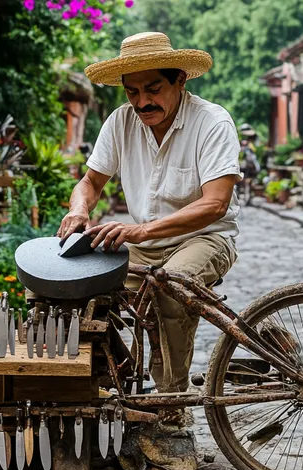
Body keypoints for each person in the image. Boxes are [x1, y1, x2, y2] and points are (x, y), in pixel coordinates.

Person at [57, 32, 241, 418]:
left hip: (204, 238)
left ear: (180, 80)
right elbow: (90, 183)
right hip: (145, 243)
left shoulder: (212, 122)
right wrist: (79, 210)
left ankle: (171, 407)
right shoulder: (121, 122)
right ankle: (102, 390)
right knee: (77, 287)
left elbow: (215, 204)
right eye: (132, 92)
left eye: (153, 88)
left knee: (169, 287)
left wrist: (139, 231)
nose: (142, 102)